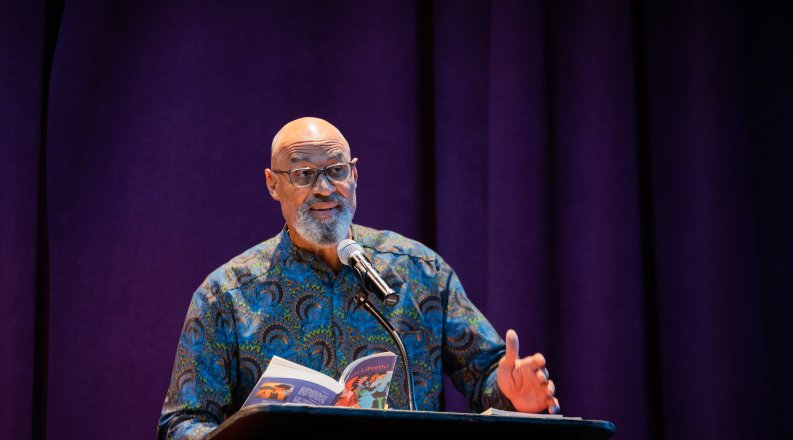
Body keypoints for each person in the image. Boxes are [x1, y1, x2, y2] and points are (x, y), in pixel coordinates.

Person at [157, 117, 560, 439]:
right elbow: (182, 422)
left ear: (354, 175)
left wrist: (513, 393)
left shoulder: (419, 273)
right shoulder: (227, 295)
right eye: (303, 174)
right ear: (272, 184)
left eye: (335, 171)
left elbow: (487, 373)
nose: (324, 189)